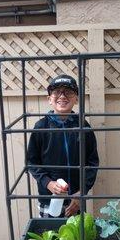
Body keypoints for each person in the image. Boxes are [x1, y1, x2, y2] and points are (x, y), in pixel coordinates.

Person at [27, 74, 99, 218]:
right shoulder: (41, 127)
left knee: (76, 238)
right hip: (49, 199)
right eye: (56, 92)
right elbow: (32, 162)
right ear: (49, 99)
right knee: (50, 237)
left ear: (76, 99)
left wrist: (80, 193)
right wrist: (48, 183)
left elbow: (92, 163)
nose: (62, 96)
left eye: (69, 92)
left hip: (75, 200)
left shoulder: (83, 126)